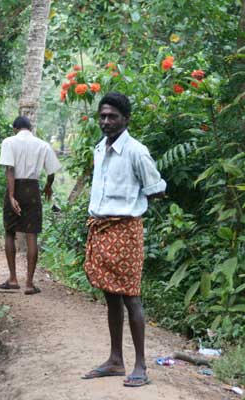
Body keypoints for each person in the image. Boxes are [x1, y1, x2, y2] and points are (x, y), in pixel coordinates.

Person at [81, 92, 166, 387]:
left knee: (131, 296)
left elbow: (156, 189)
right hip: (101, 228)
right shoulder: (99, 148)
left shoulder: (136, 152)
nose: (106, 121)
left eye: (112, 116)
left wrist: (132, 203)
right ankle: (116, 360)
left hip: (126, 229)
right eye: (102, 116)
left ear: (125, 119)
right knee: (110, 295)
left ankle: (140, 365)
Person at [0, 116, 61, 295]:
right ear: (30, 128)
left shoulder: (9, 142)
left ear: (15, 128)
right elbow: (51, 172)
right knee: (31, 235)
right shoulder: (43, 145)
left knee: (10, 232)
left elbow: (9, 169)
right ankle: (30, 283)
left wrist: (11, 196)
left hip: (15, 187)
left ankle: (12, 279)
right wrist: (48, 187)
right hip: (32, 189)